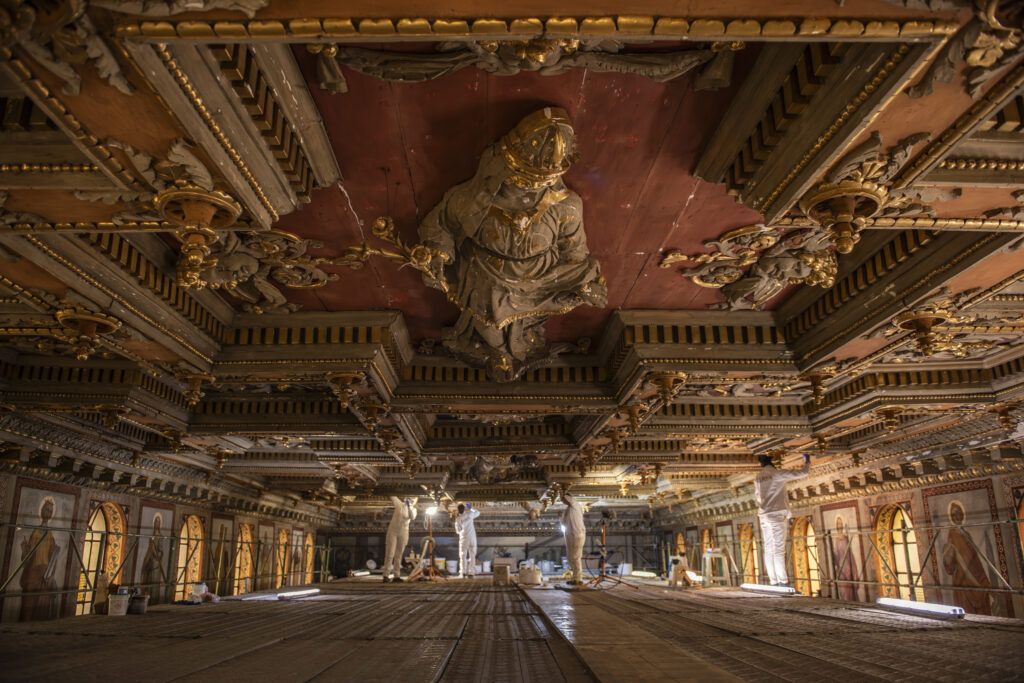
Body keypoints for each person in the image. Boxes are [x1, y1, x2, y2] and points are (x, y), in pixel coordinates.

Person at [754, 453, 810, 587]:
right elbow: (803, 473)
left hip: (764, 515)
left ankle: (773, 581)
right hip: (776, 514)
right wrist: (807, 461)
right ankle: (783, 581)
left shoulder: (758, 478)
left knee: (768, 548)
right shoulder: (776, 474)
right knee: (778, 549)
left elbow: (757, 496)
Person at [19, 497, 59, 621]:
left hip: (45, 574)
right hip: (32, 573)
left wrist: (50, 575)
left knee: (42, 608)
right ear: (41, 511)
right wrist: (24, 549)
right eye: (46, 510)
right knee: (28, 606)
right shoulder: (35, 533)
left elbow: (54, 557)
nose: (47, 513)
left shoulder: (50, 535)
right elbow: (27, 557)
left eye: (50, 511)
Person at [383, 496, 417, 583]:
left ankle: (396, 576)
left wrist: (409, 507)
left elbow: (412, 517)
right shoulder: (399, 505)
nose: (411, 501)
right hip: (393, 531)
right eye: (410, 499)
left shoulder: (413, 510)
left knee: (398, 555)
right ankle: (386, 575)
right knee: (390, 554)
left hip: (403, 532)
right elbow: (392, 496)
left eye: (413, 500)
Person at [560, 491, 586, 585]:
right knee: (571, 557)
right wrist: (560, 517)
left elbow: (571, 499)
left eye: (563, 499)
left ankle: (579, 578)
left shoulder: (575, 505)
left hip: (577, 535)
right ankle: (574, 577)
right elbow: (564, 523)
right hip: (569, 535)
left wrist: (562, 491)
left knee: (576, 557)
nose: (562, 500)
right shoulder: (567, 510)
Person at [455, 503, 481, 578]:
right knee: (472, 555)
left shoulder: (458, 519)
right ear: (464, 509)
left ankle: (463, 572)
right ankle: (470, 573)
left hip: (464, 539)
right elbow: (478, 512)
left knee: (463, 555)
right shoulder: (470, 514)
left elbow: (457, 531)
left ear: (458, 510)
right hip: (471, 538)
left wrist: (461, 530)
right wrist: (470, 507)